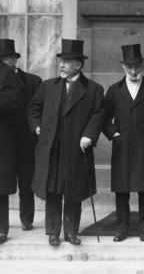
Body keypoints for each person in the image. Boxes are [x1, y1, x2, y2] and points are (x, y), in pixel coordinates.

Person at [28, 39, 105, 246]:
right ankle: (53, 232)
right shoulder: (48, 86)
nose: (61, 65)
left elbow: (98, 115)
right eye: (61, 61)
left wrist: (89, 135)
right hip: (52, 147)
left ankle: (71, 232)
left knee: (74, 191)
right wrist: (36, 125)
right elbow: (34, 108)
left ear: (78, 65)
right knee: (53, 190)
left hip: (76, 148)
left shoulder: (93, 89)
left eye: (67, 61)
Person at [103, 44, 144, 242]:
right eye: (129, 67)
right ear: (122, 67)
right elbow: (104, 118)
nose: (133, 71)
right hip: (122, 147)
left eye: (137, 67)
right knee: (122, 191)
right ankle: (121, 229)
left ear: (143, 66)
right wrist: (114, 134)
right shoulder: (114, 90)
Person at [0, 39, 42, 231]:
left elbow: (39, 109)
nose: (6, 62)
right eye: (2, 59)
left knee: (27, 182)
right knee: (3, 181)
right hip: (5, 141)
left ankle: (27, 220)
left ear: (15, 60)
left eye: (8, 58)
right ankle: (3, 225)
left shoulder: (33, 81)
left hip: (26, 140)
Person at [0, 40, 25, 244]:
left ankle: (1, 230)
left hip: (3, 138)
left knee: (0, 187)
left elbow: (12, 102)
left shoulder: (8, 74)